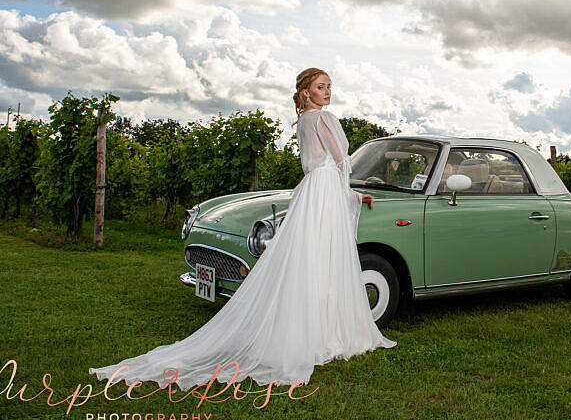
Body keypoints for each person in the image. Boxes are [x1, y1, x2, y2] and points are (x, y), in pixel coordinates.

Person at [89, 68, 396, 390]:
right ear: (306, 92)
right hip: (325, 193)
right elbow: (340, 160)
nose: (328, 92)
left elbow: (318, 164)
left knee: (306, 259)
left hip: (311, 191)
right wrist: (353, 188)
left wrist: (349, 192)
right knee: (323, 259)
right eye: (321, 87)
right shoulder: (322, 118)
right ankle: (325, 332)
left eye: (330, 87)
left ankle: (310, 329)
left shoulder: (303, 121)